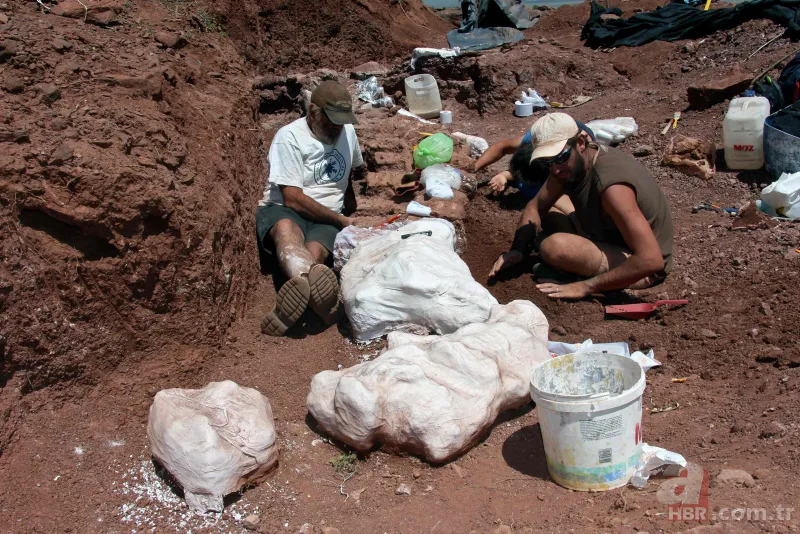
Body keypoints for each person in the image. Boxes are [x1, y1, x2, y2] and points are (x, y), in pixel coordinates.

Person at [488, 112, 674, 299]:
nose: (555, 169)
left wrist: (585, 287)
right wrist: (518, 250)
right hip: (607, 234)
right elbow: (536, 207)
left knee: (554, 247)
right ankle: (570, 265)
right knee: (551, 210)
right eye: (547, 162)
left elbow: (651, 260)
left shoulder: (612, 187)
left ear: (581, 143)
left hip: (640, 264)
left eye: (560, 158)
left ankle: (575, 274)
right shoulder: (570, 164)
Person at [256, 81, 367, 336]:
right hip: (284, 208)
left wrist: (349, 208)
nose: (338, 127)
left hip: (327, 215)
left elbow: (351, 172)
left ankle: (302, 292)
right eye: (332, 120)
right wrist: (340, 219)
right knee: (286, 232)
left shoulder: (347, 131)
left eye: (342, 120)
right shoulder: (289, 137)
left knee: (315, 252)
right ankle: (319, 299)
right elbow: (292, 198)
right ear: (313, 111)